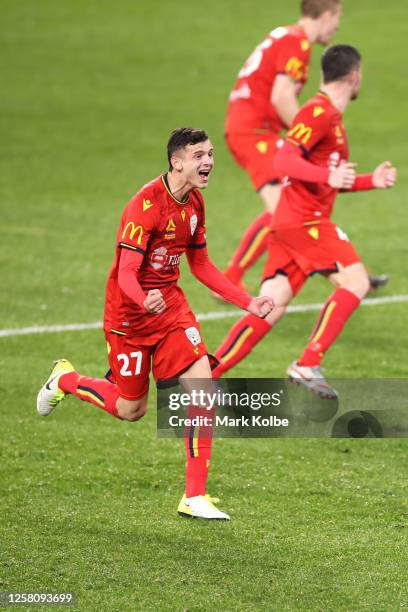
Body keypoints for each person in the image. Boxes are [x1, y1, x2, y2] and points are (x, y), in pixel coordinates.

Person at [37, 128, 274, 520]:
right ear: (176, 161)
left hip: (171, 311)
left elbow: (200, 264)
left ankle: (194, 496)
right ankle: (64, 379)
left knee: (202, 387)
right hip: (129, 316)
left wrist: (247, 301)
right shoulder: (144, 206)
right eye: (199, 155)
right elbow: (126, 271)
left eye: (211, 154)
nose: (209, 162)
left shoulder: (195, 204)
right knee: (131, 410)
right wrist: (141, 298)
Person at [212, 45, 397, 398]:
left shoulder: (329, 117)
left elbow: (321, 178)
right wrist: (329, 178)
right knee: (356, 282)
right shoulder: (318, 113)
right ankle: (308, 362)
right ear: (354, 76)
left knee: (271, 305)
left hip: (289, 223)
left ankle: (207, 373)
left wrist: (368, 180)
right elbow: (284, 160)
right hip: (303, 222)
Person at [221, 0, 387, 293]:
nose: (337, 26)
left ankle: (342, 268)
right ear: (327, 15)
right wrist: (306, 138)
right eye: (338, 17)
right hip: (255, 131)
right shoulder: (298, 43)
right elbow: (281, 96)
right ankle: (231, 278)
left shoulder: (285, 35)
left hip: (247, 126)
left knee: (288, 206)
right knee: (280, 210)